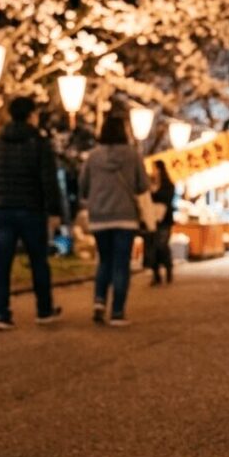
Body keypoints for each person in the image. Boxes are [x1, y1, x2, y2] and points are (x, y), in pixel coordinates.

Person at [0, 97, 63, 331]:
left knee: (1, 263)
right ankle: (44, 309)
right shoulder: (38, 142)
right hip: (31, 210)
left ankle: (1, 313)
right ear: (30, 115)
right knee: (38, 261)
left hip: (3, 210)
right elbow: (48, 179)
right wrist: (54, 210)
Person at [80, 114, 149, 327]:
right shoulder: (133, 156)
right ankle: (117, 312)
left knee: (105, 261)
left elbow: (83, 186)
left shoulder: (92, 157)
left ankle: (99, 302)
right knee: (121, 263)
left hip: (100, 217)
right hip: (125, 217)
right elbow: (142, 185)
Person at [146, 160, 175, 285]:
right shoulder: (149, 182)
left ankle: (168, 270)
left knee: (161, 246)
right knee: (152, 247)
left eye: (154, 168)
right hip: (151, 219)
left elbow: (165, 198)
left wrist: (154, 192)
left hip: (164, 220)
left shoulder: (168, 184)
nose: (153, 171)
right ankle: (156, 274)